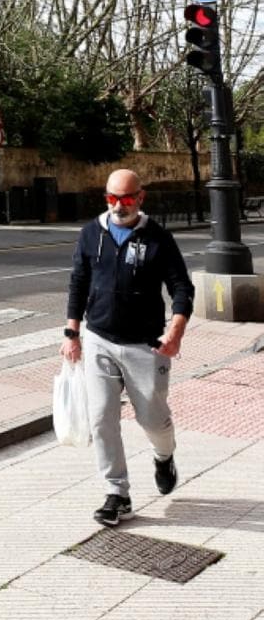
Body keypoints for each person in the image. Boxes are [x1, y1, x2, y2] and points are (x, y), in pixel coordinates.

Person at [62, 167, 194, 527]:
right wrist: (72, 332)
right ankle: (116, 493)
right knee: (102, 417)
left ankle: (163, 456)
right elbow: (79, 281)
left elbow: (182, 288)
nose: (118, 206)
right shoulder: (92, 233)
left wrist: (176, 330)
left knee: (152, 417)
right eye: (111, 198)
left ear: (141, 197)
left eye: (126, 198)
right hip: (100, 339)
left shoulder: (158, 238)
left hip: (146, 346)